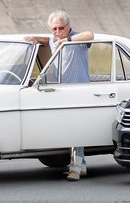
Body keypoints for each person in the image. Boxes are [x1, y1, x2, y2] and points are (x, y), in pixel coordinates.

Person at [24, 10, 93, 181]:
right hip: (62, 91)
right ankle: (81, 165)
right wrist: (38, 39)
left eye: (61, 28)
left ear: (68, 27)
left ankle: (75, 169)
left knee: (77, 130)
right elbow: (48, 40)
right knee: (70, 129)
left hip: (79, 90)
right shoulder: (53, 40)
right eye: (54, 29)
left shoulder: (77, 38)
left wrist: (67, 40)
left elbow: (90, 35)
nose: (57, 32)